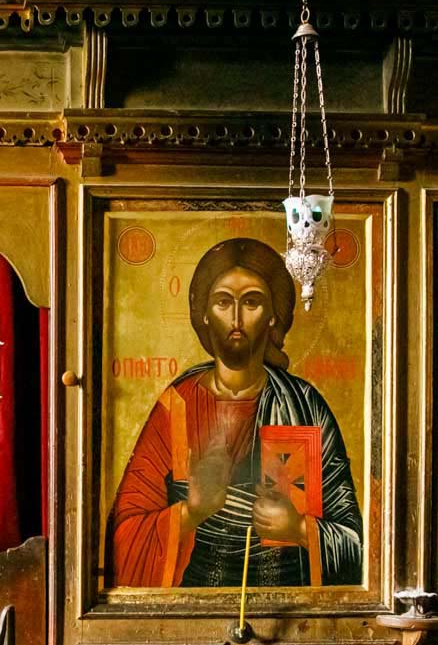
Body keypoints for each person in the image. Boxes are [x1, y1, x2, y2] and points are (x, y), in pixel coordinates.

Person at [106, 237, 362, 589]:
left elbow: (357, 545)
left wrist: (300, 530)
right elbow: (125, 535)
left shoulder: (304, 406)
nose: (237, 318)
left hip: (289, 608)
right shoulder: (177, 406)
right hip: (191, 606)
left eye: (252, 302)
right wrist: (191, 511)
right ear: (205, 316)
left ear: (273, 317)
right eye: (223, 302)